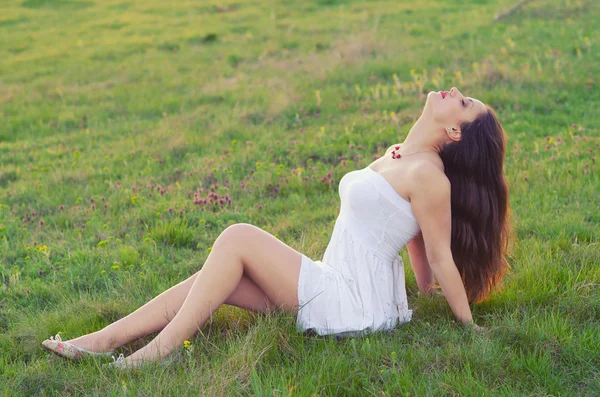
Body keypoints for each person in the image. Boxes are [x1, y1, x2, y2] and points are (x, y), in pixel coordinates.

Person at [42, 87, 511, 369]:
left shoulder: (429, 177)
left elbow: (441, 253)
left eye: (464, 102)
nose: (454, 91)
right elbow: (412, 237)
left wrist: (467, 325)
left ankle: (152, 357)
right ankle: (101, 343)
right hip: (336, 282)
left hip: (353, 305)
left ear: (456, 133)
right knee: (211, 280)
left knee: (238, 237)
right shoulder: (401, 154)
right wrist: (422, 290)